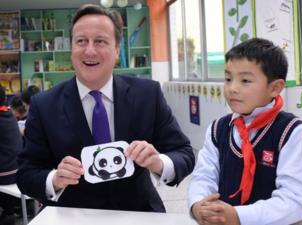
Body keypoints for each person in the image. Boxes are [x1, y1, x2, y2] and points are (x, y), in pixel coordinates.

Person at [17, 4, 194, 212]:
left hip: (139, 213)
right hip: (73, 215)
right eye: (81, 41)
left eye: (100, 41)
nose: (89, 50)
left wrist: (159, 163)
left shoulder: (148, 94)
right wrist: (55, 179)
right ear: (71, 48)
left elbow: (184, 154)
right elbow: (26, 174)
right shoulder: (44, 104)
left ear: (117, 50)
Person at [188, 38, 302, 225]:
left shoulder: (292, 132)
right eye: (228, 79)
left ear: (275, 88)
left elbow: (296, 199)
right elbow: (204, 176)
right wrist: (199, 205)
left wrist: (239, 217)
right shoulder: (218, 129)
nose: (232, 88)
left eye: (245, 80)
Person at [0, 84, 22, 225]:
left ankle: (7, 211)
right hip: (17, 171)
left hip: (5, 176)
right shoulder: (8, 113)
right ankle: (9, 210)